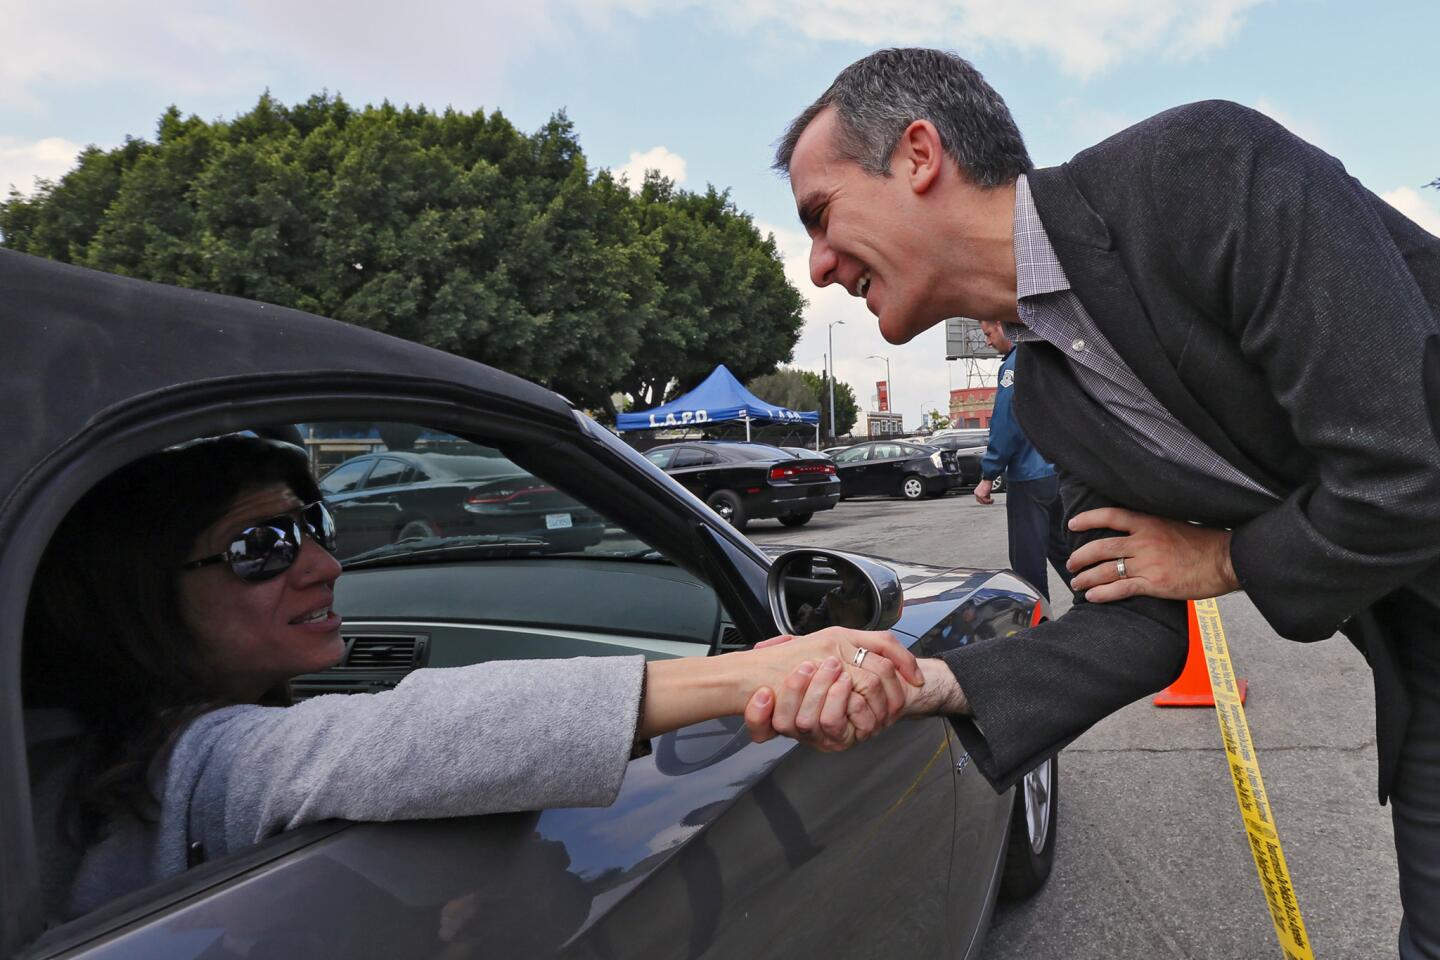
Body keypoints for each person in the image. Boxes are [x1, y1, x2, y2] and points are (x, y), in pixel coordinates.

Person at [757, 47, 1440, 956]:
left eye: (821, 214)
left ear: (919, 155)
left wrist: (1226, 559)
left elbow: (1410, 468)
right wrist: (928, 683)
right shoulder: (1048, 397)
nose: (817, 266)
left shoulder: (1203, 169)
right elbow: (1134, 620)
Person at [22, 434, 922, 924]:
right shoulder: (188, 767)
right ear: (138, 598)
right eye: (261, 548)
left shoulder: (82, 747)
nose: (326, 566)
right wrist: (745, 675)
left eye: (314, 525)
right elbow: (390, 740)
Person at [972, 317, 1072, 602]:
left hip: (1028, 477)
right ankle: (1097, 606)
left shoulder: (1014, 365)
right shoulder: (1047, 354)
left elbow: (1006, 424)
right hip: (1057, 473)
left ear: (1002, 325)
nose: (988, 341)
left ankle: (1037, 623)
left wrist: (988, 476)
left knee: (1027, 561)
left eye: (988, 333)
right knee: (1064, 549)